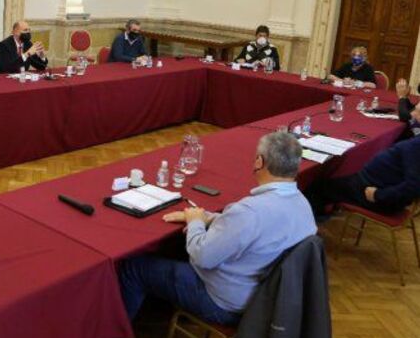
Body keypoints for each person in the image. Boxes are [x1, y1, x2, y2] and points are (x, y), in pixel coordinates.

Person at [119, 132, 316, 325]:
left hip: (225, 304)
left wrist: (196, 222)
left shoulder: (249, 211)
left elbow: (202, 257)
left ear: (259, 162)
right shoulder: (303, 205)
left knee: (133, 267)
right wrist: (207, 218)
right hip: (267, 300)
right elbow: (251, 228)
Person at [308, 133, 420, 216]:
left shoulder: (415, 146)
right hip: (375, 184)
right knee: (335, 179)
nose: (412, 113)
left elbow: (414, 186)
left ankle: (308, 233)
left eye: (417, 111)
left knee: (316, 186)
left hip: (373, 192)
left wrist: (378, 195)